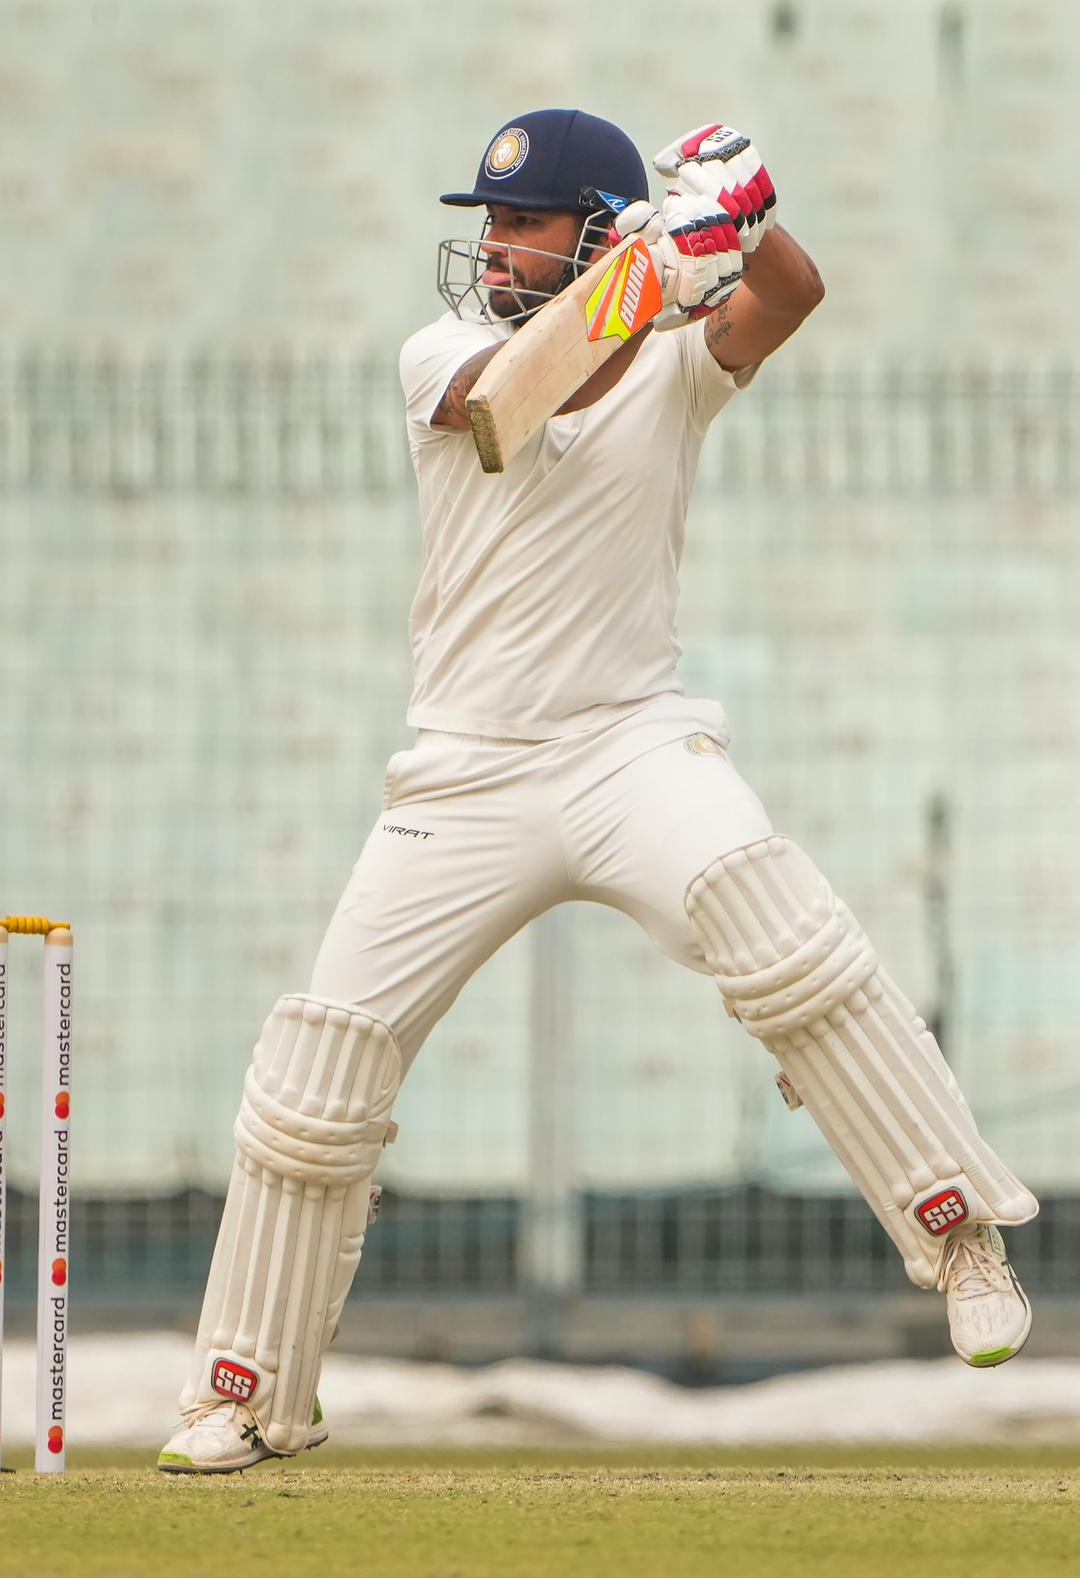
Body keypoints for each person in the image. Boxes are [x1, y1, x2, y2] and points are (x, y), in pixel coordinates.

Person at [158, 109, 1037, 1475]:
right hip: (463, 769)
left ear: (596, 230)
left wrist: (742, 219)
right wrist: (662, 268)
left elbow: (793, 295)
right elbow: (527, 405)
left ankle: (961, 1232)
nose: (496, 247)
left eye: (523, 224)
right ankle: (248, 1392)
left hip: (631, 745)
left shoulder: (680, 354)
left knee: (778, 924)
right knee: (319, 1067)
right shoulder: (442, 354)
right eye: (491, 225)